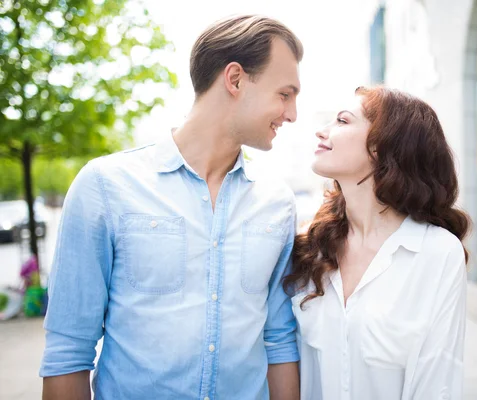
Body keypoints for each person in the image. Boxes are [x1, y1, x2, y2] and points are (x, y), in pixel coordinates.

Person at [40, 15, 303, 400]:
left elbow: (278, 340)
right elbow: (68, 351)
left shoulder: (277, 203)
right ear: (235, 79)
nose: (293, 113)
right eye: (285, 94)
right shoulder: (105, 186)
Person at [285, 86, 471, 399]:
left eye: (343, 122)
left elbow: (438, 383)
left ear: (382, 147)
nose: (322, 131)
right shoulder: (311, 246)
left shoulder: (436, 253)